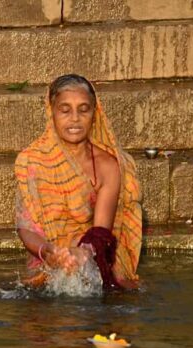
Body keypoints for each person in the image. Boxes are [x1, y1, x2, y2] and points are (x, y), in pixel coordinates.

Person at [14, 74, 142, 290]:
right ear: (52, 113)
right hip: (46, 262)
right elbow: (26, 228)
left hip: (90, 259)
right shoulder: (31, 161)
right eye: (65, 110)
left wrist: (83, 253)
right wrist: (48, 252)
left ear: (94, 113)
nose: (75, 118)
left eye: (84, 110)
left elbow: (102, 232)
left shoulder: (107, 165)